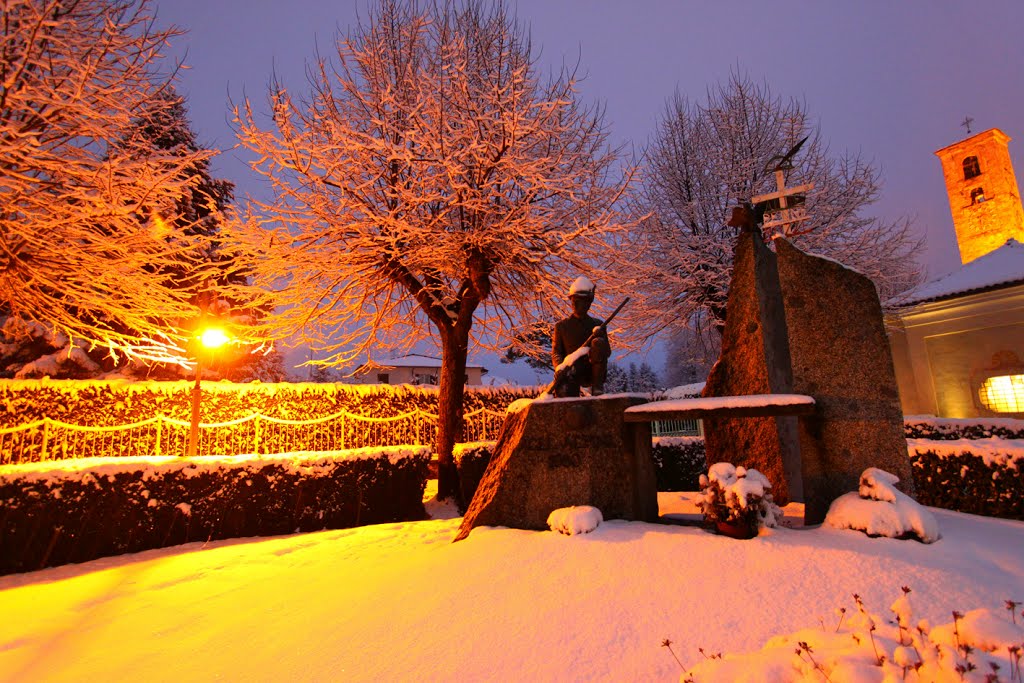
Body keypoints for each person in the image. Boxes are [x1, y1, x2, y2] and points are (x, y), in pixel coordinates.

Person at [551, 276, 611, 397]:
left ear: (589, 303)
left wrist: (601, 340)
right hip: (571, 372)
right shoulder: (561, 326)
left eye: (581, 301)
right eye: (574, 301)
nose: (576, 304)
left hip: (592, 372)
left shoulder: (598, 325)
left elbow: (607, 352)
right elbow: (556, 352)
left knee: (598, 342)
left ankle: (597, 387)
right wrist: (560, 367)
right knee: (565, 395)